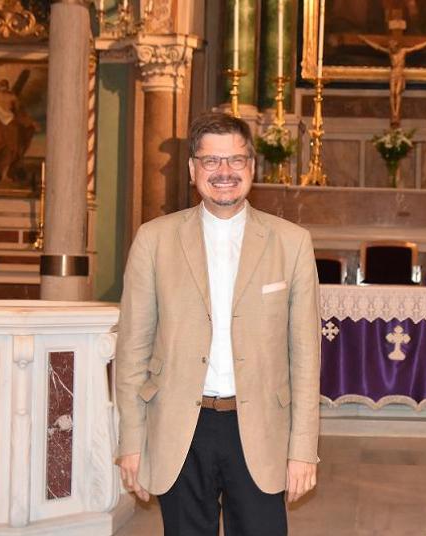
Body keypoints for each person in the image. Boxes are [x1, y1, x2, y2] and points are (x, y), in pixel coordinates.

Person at [116, 112, 321, 535]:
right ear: (193, 170)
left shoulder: (292, 242)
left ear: (252, 167)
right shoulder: (154, 240)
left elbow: (305, 357)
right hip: (179, 427)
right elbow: (133, 351)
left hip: (260, 427)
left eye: (235, 160)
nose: (224, 171)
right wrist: (132, 442)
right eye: (211, 161)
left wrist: (303, 449)